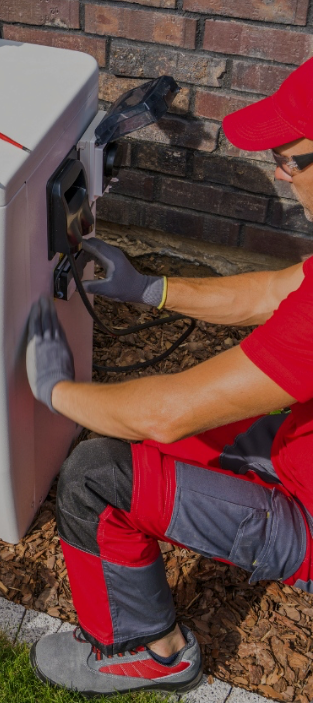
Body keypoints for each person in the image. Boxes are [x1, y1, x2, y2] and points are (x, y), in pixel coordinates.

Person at [25, 54, 313, 695]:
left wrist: (54, 391)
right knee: (142, 436)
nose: (280, 171)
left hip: (308, 514)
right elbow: (273, 292)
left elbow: (163, 412)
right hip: (297, 450)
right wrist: (150, 288)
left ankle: (147, 654)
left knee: (95, 477)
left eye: (290, 157)